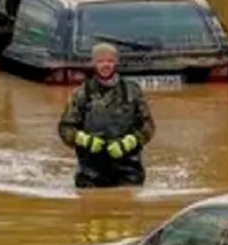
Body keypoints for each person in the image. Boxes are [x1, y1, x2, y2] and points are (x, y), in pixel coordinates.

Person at [58, 42, 156, 189]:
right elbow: (65, 128)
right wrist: (84, 140)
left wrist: (131, 141)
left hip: (129, 169)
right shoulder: (81, 94)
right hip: (91, 172)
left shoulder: (132, 91)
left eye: (109, 61)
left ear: (116, 62)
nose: (105, 65)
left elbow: (148, 126)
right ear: (94, 64)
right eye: (100, 61)